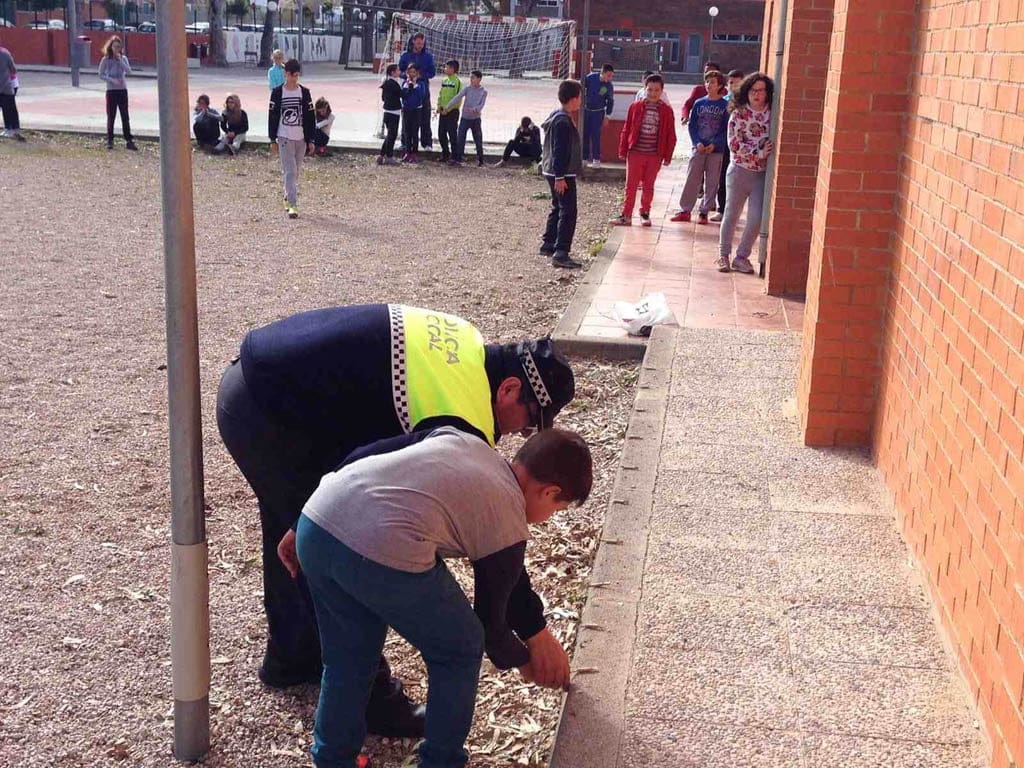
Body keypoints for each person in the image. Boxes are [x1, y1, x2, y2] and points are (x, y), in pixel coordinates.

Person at [216, 303, 577, 738]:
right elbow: (493, 532)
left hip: (262, 383)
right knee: (345, 543)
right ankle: (374, 705)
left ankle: (293, 658)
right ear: (509, 390)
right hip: (272, 413)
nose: (520, 436)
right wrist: (533, 633)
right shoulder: (461, 413)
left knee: (300, 529)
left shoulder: (465, 342)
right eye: (528, 421)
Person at [286, 426, 592, 768]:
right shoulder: (507, 516)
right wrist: (527, 661)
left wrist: (299, 524)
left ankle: (332, 759)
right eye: (557, 509)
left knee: (348, 657)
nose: (549, 518)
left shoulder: (466, 441)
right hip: (374, 545)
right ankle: (441, 761)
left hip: (316, 521)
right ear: (549, 492)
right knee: (460, 646)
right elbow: (489, 627)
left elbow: (368, 451)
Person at [718, 72, 775, 274]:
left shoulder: (772, 114)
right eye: (752, 90)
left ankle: (742, 257)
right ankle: (723, 255)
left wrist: (762, 157)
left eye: (761, 91)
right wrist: (757, 152)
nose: (756, 95)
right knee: (731, 214)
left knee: (756, 217)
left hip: (761, 174)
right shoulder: (739, 114)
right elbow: (734, 144)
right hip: (739, 171)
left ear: (768, 93)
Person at [611, 74, 676, 228]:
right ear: (644, 89)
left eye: (656, 90)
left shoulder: (667, 111)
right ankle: (626, 215)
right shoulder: (635, 107)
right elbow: (627, 129)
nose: (653, 93)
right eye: (650, 89)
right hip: (635, 153)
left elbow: (670, 135)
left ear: (662, 91)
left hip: (655, 155)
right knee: (631, 185)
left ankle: (645, 212)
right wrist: (623, 149)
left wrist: (667, 156)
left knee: (649, 185)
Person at [671, 69, 729, 225]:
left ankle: (704, 210)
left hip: (715, 151)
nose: (709, 85)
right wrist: (696, 142)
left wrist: (715, 143)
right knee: (692, 178)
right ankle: (685, 209)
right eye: (707, 81)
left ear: (720, 86)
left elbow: (726, 129)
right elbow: (693, 126)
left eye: (713, 82)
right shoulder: (699, 103)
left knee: (712, 181)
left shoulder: (725, 105)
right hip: (699, 148)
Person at [540, 79, 584, 269]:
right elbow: (560, 150)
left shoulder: (556, 115)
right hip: (561, 173)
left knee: (557, 206)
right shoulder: (563, 121)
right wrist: (560, 177)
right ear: (573, 99)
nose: (581, 101)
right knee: (568, 210)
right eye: (580, 97)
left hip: (551, 169)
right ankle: (561, 252)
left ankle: (548, 243)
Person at [268, 58, 315, 220]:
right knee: (290, 170)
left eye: (297, 75)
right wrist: (272, 139)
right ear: (286, 74)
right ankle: (293, 204)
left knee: (296, 171)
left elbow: (310, 117)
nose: (294, 78)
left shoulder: (305, 92)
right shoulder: (277, 92)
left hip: (301, 137)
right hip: (284, 136)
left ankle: (287, 195)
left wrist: (311, 140)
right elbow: (272, 116)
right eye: (291, 75)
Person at [711, 69, 745, 222]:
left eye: (738, 83)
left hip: (742, 148)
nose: (734, 86)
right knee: (723, 177)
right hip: (723, 145)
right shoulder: (722, 101)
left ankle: (734, 212)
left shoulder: (746, 103)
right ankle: (721, 209)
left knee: (739, 182)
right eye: (731, 83)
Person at [98, 36, 136, 151]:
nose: (117, 49)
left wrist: (120, 60)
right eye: (115, 46)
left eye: (119, 47)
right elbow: (100, 74)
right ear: (111, 47)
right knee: (111, 115)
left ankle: (128, 140)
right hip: (111, 91)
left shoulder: (123, 58)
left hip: (122, 90)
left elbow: (129, 71)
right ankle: (110, 140)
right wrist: (111, 80)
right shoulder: (106, 59)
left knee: (125, 116)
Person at [399, 32, 436, 150]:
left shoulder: (428, 56)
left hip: (422, 88)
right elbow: (400, 70)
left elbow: (432, 72)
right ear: (413, 41)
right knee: (406, 116)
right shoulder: (405, 55)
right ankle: (405, 143)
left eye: (422, 43)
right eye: (418, 43)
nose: (420, 45)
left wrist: (420, 77)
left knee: (425, 114)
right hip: (408, 88)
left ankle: (427, 143)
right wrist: (408, 77)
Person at [445, 69, 487, 167]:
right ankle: (458, 158)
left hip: (476, 119)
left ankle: (480, 159)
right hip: (465, 118)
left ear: (479, 79)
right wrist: (448, 107)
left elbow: (482, 105)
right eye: (470, 78)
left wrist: (475, 109)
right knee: (460, 138)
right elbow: (458, 97)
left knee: (478, 139)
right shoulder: (467, 88)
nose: (471, 80)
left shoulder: (484, 91)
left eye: (473, 78)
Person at [582, 63, 614, 167]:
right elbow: (581, 88)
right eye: (608, 75)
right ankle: (584, 158)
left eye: (612, 76)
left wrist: (608, 115)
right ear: (602, 73)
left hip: (598, 112)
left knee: (596, 135)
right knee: (585, 134)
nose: (610, 78)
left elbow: (610, 101)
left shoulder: (608, 86)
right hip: (586, 110)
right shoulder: (591, 78)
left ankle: (596, 158)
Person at [435, 59, 463, 163]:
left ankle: (455, 156)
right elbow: (441, 94)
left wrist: (448, 109)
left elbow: (458, 98)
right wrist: (439, 107)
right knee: (441, 133)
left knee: (452, 134)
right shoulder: (444, 80)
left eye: (447, 67)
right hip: (443, 111)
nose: (445, 69)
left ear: (452, 69)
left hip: (452, 112)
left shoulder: (458, 82)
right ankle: (445, 154)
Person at [399, 63, 427, 163]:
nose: (411, 74)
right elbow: (403, 96)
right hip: (406, 110)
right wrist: (408, 86)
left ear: (417, 73)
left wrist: (415, 85)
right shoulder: (404, 83)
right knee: (407, 131)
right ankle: (407, 152)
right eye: (410, 72)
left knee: (415, 132)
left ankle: (415, 153)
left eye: (414, 72)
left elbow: (421, 97)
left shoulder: (421, 84)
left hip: (417, 110)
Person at [378, 64, 402, 166]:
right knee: (392, 135)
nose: (399, 72)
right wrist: (410, 86)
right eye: (397, 70)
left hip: (386, 111)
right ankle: (389, 156)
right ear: (392, 72)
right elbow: (402, 94)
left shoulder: (386, 83)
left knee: (390, 134)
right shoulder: (393, 84)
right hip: (393, 112)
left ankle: (381, 155)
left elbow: (383, 98)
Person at [0, 44, 24, 142]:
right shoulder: (5, 53)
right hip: (6, 86)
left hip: (5, 87)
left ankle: (9, 129)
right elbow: (13, 69)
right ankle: (12, 129)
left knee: (8, 109)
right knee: (10, 109)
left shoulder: (5, 53)